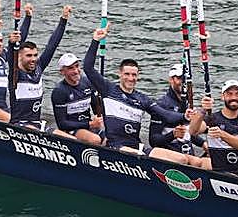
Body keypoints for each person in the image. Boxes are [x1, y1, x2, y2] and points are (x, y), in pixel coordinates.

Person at [82, 27, 205, 166]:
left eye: (134, 75)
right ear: (120, 74)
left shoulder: (142, 99)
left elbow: (165, 115)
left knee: (181, 159)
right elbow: (88, 68)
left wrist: (185, 116)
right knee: (140, 156)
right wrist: (96, 41)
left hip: (137, 146)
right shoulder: (108, 89)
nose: (130, 78)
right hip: (115, 146)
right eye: (127, 74)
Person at [5, 6, 69, 129]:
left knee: (70, 139)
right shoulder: (15, 74)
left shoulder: (38, 68)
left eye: (35, 55)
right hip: (19, 125)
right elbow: (12, 52)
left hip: (37, 124)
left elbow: (52, 45)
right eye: (28, 56)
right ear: (19, 57)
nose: (33, 59)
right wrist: (12, 42)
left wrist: (63, 20)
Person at [190, 80, 238, 178]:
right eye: (229, 94)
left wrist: (221, 134)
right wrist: (203, 110)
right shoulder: (212, 118)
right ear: (223, 97)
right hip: (217, 173)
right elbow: (193, 131)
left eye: (237, 94)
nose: (233, 97)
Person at [148, 65, 203, 157]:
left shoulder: (188, 103)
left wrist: (203, 143)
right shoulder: (161, 104)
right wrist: (172, 135)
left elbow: (188, 132)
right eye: (180, 78)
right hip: (171, 158)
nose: (183, 82)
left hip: (188, 154)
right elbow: (153, 140)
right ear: (171, 80)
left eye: (186, 79)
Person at [50, 53, 104, 145]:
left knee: (112, 137)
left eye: (77, 66)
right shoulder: (59, 91)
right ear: (62, 72)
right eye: (71, 68)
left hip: (88, 124)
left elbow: (97, 109)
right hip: (71, 128)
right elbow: (62, 124)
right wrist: (90, 124)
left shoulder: (87, 82)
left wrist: (101, 117)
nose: (76, 71)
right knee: (95, 140)